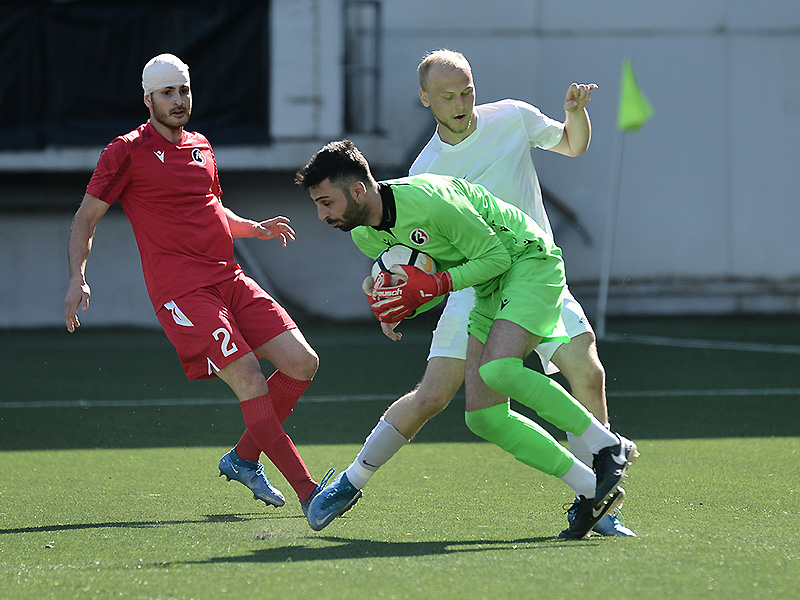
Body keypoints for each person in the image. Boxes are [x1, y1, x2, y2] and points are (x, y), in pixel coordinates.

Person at [295, 139, 638, 539]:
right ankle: (591, 491)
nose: (321, 214)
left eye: (326, 202)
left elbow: (496, 258)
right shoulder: (365, 237)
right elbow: (423, 279)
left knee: (501, 369)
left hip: (528, 261)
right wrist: (398, 306)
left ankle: (607, 445)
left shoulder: (429, 200)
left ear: (357, 190)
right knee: (484, 417)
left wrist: (432, 286)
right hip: (487, 288)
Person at [64, 53, 331, 517]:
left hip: (230, 279)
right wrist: (77, 278)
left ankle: (244, 458)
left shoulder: (202, 146)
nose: (179, 99)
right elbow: (86, 218)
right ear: (148, 99)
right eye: (168, 92)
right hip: (183, 294)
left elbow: (212, 210)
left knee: (302, 363)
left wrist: (255, 227)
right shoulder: (124, 151)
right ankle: (311, 494)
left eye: (184, 90)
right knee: (248, 376)